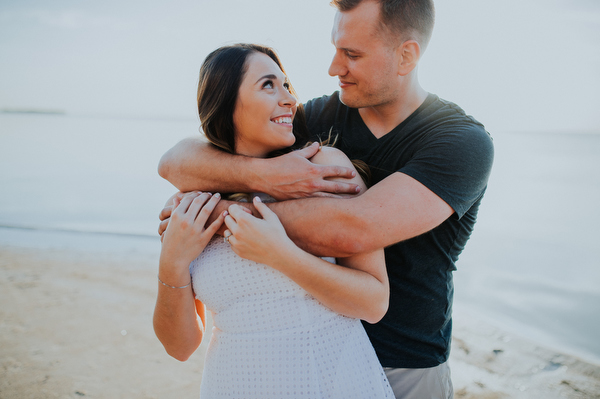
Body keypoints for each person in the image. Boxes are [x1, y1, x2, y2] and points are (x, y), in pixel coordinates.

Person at [158, 1, 494, 398]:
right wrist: (265, 176)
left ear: (406, 56)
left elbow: (355, 228)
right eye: (336, 48)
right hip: (283, 363)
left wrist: (220, 212)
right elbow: (177, 161)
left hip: (403, 362)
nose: (334, 68)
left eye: (352, 54)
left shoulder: (460, 143)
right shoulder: (313, 122)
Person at [153, 43, 394, 398]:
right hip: (233, 385)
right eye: (268, 85)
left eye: (286, 85)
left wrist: (280, 253)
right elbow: (180, 347)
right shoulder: (195, 198)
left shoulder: (323, 168)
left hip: (331, 381)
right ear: (226, 101)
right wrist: (171, 262)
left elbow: (374, 303)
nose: (289, 99)